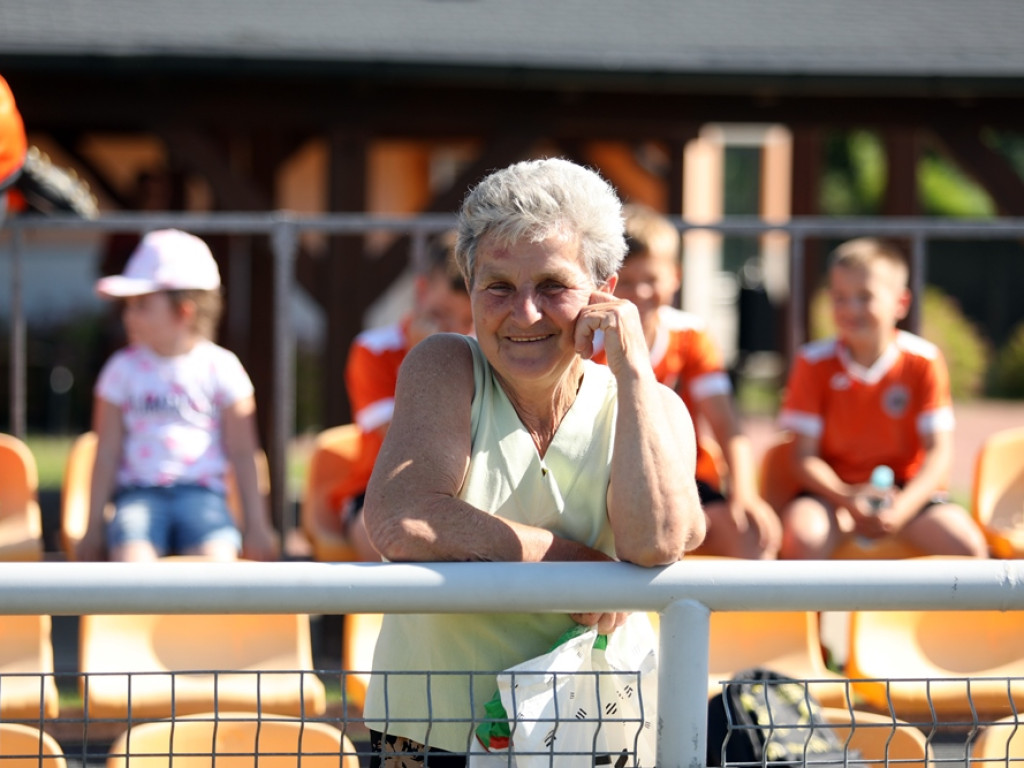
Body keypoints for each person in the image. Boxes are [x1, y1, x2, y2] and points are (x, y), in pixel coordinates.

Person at [361, 158, 706, 765]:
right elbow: (403, 518)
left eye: (553, 286)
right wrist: (573, 565)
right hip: (434, 731)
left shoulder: (654, 406)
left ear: (606, 291)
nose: (524, 313)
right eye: (498, 286)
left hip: (595, 732)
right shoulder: (444, 365)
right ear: (468, 288)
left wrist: (631, 371)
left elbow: (658, 541)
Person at [777, 237, 988, 559]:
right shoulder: (812, 362)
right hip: (833, 494)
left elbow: (939, 452)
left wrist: (901, 509)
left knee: (967, 544)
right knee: (802, 536)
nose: (850, 309)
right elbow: (802, 456)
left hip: (908, 494)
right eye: (840, 298)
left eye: (865, 297)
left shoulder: (924, 361)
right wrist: (848, 497)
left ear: (900, 303)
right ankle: (812, 612)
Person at [76, 229, 279, 562]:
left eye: (142, 305)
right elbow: (107, 451)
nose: (128, 316)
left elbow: (245, 453)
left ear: (184, 311)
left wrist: (257, 527)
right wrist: (93, 528)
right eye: (128, 305)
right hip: (137, 497)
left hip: (204, 497)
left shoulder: (223, 368)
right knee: (131, 562)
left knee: (217, 562)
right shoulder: (120, 370)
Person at [596, 204, 782, 558]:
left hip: (684, 477)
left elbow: (728, 425)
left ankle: (733, 616)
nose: (641, 293)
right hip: (605, 478)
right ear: (609, 283)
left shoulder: (691, 336)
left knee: (750, 535)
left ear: (675, 277)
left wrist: (745, 494)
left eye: (651, 279)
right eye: (629, 282)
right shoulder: (589, 340)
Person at [336, 230, 474, 561]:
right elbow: (402, 438)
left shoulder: (485, 351)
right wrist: (423, 360)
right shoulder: (373, 350)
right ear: (422, 291)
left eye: (468, 319)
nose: (455, 329)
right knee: (384, 541)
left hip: (465, 489)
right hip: (376, 489)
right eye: (442, 315)